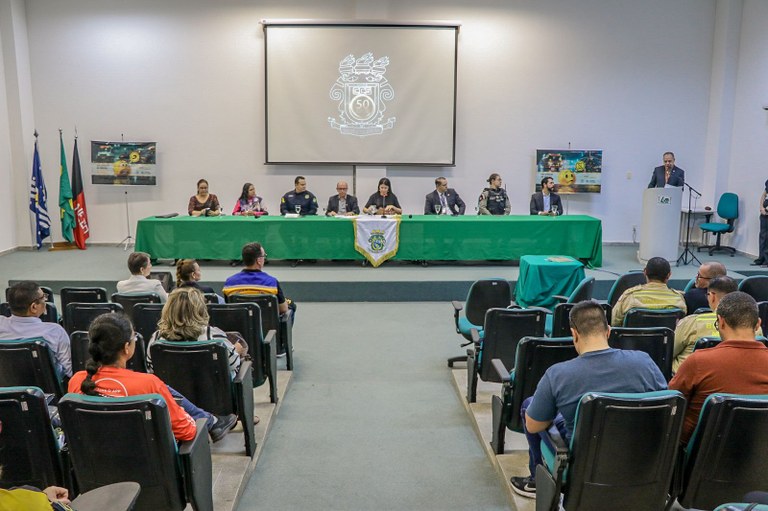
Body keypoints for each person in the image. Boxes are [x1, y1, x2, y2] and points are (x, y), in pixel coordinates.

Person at [510, 300, 667, 498]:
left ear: (574, 334)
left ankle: (537, 479)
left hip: (584, 461)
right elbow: (664, 402)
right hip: (640, 456)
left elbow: (533, 426)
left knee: (529, 406)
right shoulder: (644, 361)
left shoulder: (557, 374)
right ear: (608, 331)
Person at [67, 313, 237, 442]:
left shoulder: (77, 381)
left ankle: (212, 420)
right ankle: (211, 421)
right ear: (127, 347)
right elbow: (188, 431)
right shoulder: (148, 384)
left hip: (97, 471)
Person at [669, 291, 768, 444]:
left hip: (698, 455)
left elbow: (672, 403)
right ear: (758, 324)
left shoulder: (698, 362)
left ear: (721, 322)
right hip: (758, 453)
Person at [147, 288, 245, 381]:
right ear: (201, 310)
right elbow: (233, 363)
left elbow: (151, 368)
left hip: (172, 396)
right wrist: (236, 349)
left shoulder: (156, 338)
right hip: (212, 395)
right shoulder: (213, 335)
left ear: (168, 310)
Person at [0, 281, 71, 378]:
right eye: (43, 297)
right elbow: (70, 370)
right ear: (34, 307)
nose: (45, 300)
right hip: (46, 391)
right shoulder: (55, 331)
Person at [673, 276, 738, 373]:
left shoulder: (691, 323)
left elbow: (669, 352)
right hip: (732, 377)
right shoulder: (751, 326)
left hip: (691, 380)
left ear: (712, 297)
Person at [222, 242, 294, 319]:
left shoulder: (229, 283)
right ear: (259, 260)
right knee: (291, 304)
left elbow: (229, 307)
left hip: (240, 326)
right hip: (267, 328)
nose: (264, 258)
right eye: (264, 256)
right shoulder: (272, 283)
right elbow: (283, 309)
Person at [611, 256, 687, 326]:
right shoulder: (679, 300)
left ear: (645, 272)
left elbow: (614, 323)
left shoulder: (629, 297)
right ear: (669, 275)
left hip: (633, 341)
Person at [752, 179, 768, 266]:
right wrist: (761, 207)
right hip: (764, 213)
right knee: (763, 236)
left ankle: (767, 261)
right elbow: (764, 194)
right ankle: (761, 258)